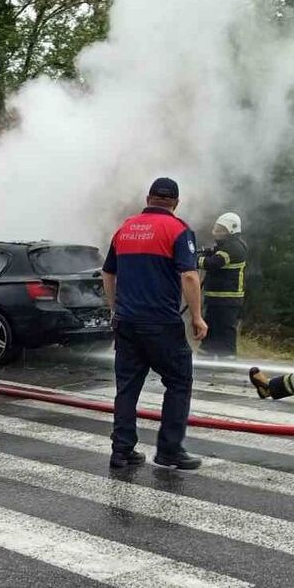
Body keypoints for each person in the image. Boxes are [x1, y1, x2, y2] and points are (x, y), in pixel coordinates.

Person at [102, 177, 209, 470]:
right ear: (175, 202)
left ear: (148, 198)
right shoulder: (178, 229)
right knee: (178, 382)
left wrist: (114, 309)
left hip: (126, 322)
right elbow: (189, 276)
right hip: (161, 323)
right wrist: (197, 316)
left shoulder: (125, 229)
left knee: (127, 387)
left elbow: (108, 273)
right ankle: (169, 451)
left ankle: (121, 451)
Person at [197, 212, 247, 358]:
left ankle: (227, 360)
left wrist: (193, 260)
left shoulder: (234, 248)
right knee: (211, 328)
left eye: (221, 230)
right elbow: (213, 255)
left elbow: (213, 263)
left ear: (231, 230)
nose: (216, 233)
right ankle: (206, 356)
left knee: (225, 330)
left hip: (228, 299)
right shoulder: (224, 246)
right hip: (216, 298)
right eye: (216, 229)